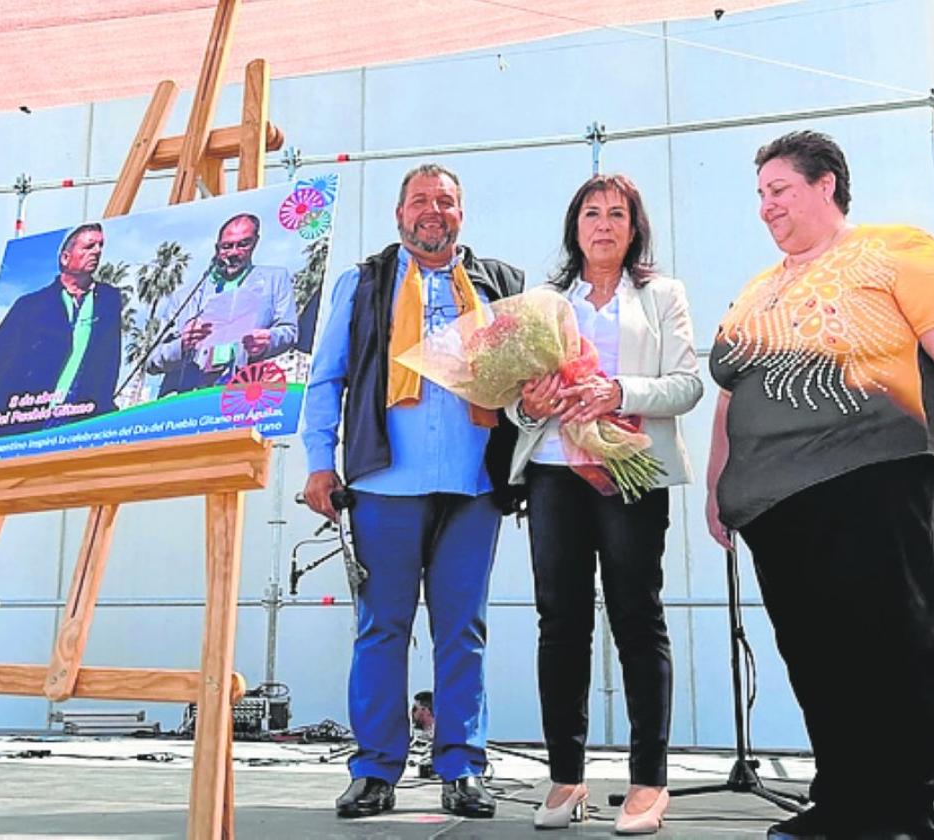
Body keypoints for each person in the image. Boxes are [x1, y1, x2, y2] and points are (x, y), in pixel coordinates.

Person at [705, 130, 934, 840]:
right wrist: (718, 490)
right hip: (775, 506)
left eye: (779, 190)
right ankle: (843, 803)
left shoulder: (893, 246)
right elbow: (728, 397)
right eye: (760, 196)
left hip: (873, 479)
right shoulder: (755, 290)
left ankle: (901, 813)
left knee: (891, 647)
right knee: (817, 659)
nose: (766, 207)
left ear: (827, 183)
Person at [300, 163, 524, 820]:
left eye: (446, 201)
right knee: (380, 630)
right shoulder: (364, 282)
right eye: (420, 201)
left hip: (474, 486)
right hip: (383, 486)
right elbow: (327, 380)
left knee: (464, 631)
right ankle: (374, 770)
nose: (433, 211)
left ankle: (462, 767)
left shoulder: (500, 285)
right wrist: (320, 462)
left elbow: (526, 380)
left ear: (462, 213)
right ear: (400, 215)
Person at [507, 174, 702, 832]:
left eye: (618, 214)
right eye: (592, 213)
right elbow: (514, 397)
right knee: (559, 623)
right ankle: (565, 779)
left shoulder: (662, 296)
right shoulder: (542, 300)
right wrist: (526, 404)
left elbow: (686, 385)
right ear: (575, 227)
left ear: (634, 227)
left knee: (636, 618)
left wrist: (618, 391)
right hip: (553, 473)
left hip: (628, 470)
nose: (604, 224)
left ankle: (649, 783)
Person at [0, 222, 122, 437]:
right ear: (65, 257)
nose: (97, 251)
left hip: (83, 420)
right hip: (28, 420)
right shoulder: (31, 305)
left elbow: (110, 361)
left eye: (100, 245)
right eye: (89, 246)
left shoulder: (109, 300)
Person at [147, 213, 297, 396]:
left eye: (243, 244)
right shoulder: (184, 297)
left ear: (255, 242)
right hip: (187, 395)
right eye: (227, 246)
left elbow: (290, 331)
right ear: (216, 248)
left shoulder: (275, 279)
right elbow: (152, 361)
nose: (234, 252)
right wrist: (183, 344)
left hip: (244, 392)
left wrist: (268, 340)